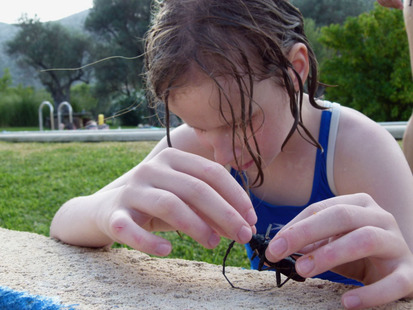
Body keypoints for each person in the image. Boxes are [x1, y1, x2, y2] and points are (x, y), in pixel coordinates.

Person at [50, 0, 413, 309]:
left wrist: (385, 270)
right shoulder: (192, 147)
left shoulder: (359, 148)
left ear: (294, 71)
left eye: (243, 121)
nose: (222, 152)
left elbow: (406, 265)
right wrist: (106, 211)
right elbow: (63, 222)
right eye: (198, 125)